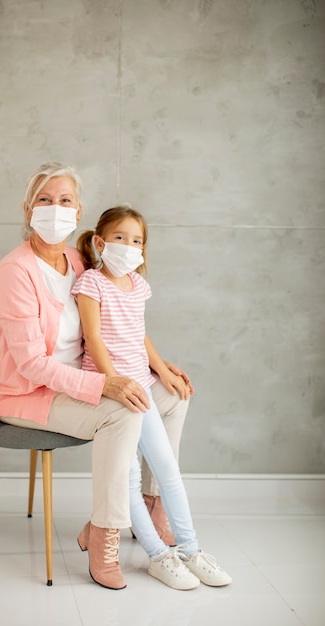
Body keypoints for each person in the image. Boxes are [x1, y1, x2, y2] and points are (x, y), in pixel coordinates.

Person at [0, 162, 152, 591]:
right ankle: (105, 532)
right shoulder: (15, 271)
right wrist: (105, 384)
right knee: (123, 412)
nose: (54, 209)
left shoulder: (78, 262)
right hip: (26, 394)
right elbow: (30, 366)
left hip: (73, 383)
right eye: (44, 199)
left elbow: (120, 323)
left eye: (64, 200)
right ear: (27, 209)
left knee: (168, 397)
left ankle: (151, 508)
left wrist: (159, 368)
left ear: (78, 212)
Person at [71, 205, 232, 589]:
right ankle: (159, 555)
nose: (129, 246)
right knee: (126, 479)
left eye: (137, 240)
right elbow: (93, 338)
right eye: (120, 238)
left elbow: (138, 335)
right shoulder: (91, 284)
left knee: (167, 471)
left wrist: (159, 368)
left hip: (140, 387)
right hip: (111, 392)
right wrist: (114, 383)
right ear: (100, 242)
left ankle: (191, 550)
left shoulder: (138, 286)